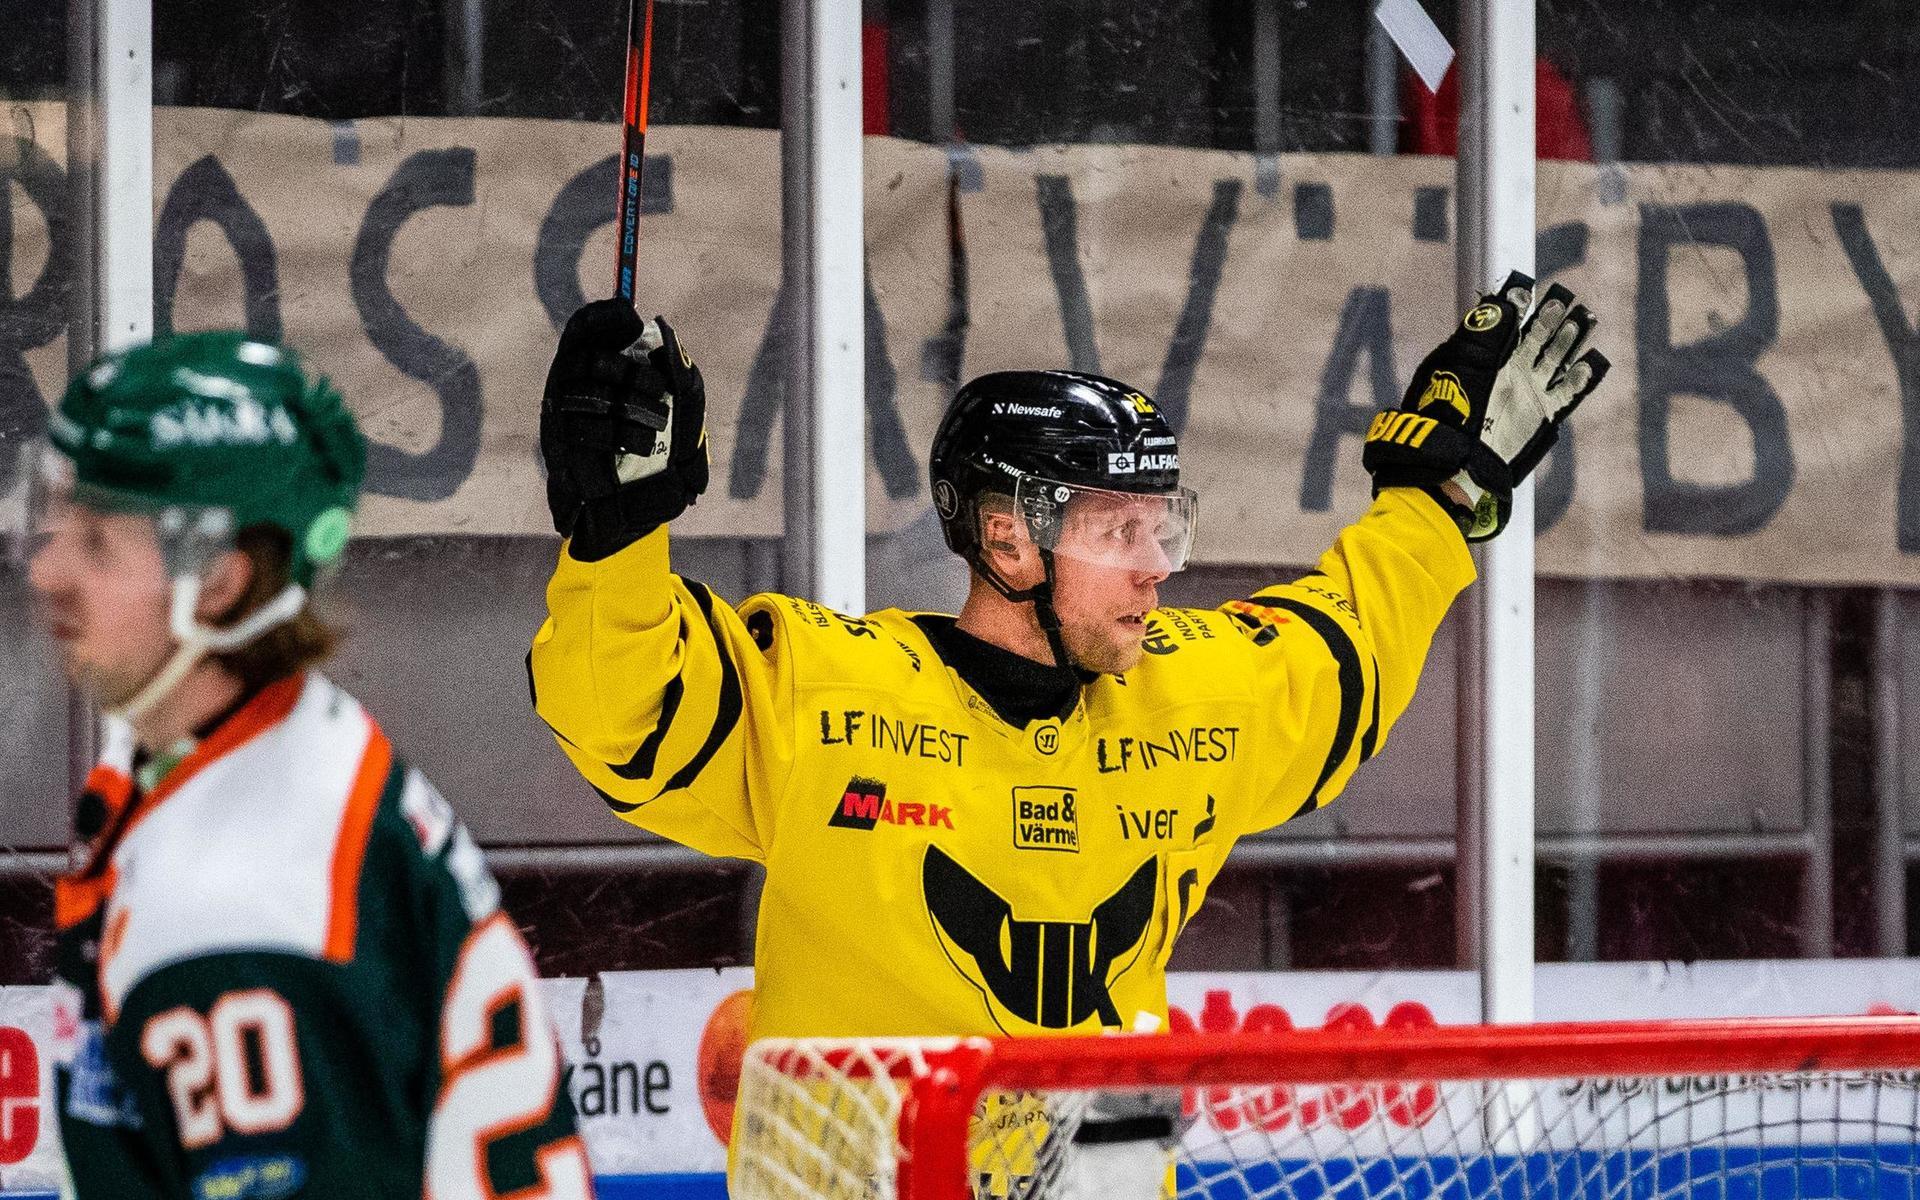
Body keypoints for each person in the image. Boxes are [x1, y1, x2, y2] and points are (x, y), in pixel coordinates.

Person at [26, 333, 591, 1199]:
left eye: (97, 541)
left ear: (218, 583)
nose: (46, 569)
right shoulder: (262, 747)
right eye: (57, 518)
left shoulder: (235, 905)